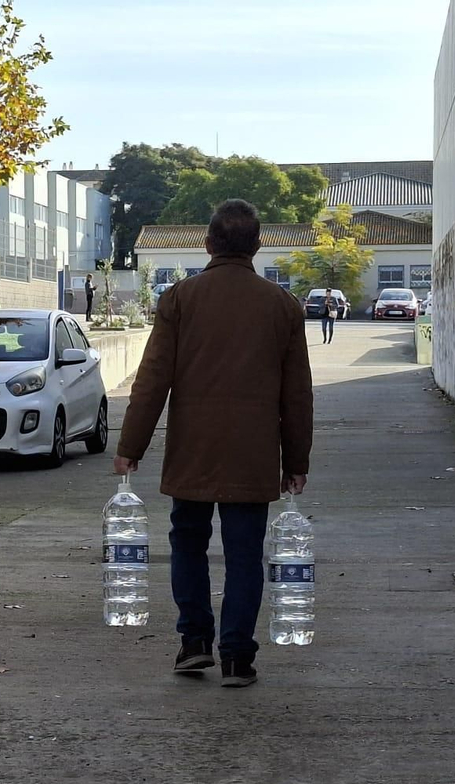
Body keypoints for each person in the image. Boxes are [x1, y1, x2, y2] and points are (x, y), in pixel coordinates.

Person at [113, 199, 314, 688]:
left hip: (193, 453)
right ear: (258, 245)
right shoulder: (281, 305)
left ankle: (194, 643)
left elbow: (152, 380)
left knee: (188, 545)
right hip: (254, 455)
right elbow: (298, 393)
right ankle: (237, 657)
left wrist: (130, 447)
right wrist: (296, 459)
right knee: (245, 555)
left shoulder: (180, 299)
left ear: (208, 243)